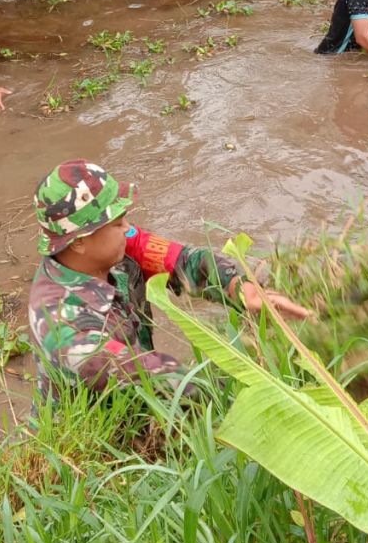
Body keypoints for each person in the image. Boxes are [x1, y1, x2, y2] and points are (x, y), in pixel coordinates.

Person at [28, 160, 310, 399]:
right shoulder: (62, 322)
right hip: (99, 439)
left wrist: (241, 289)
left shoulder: (121, 246)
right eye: (117, 223)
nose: (129, 230)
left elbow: (185, 262)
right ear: (78, 242)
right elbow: (145, 374)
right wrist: (251, 380)